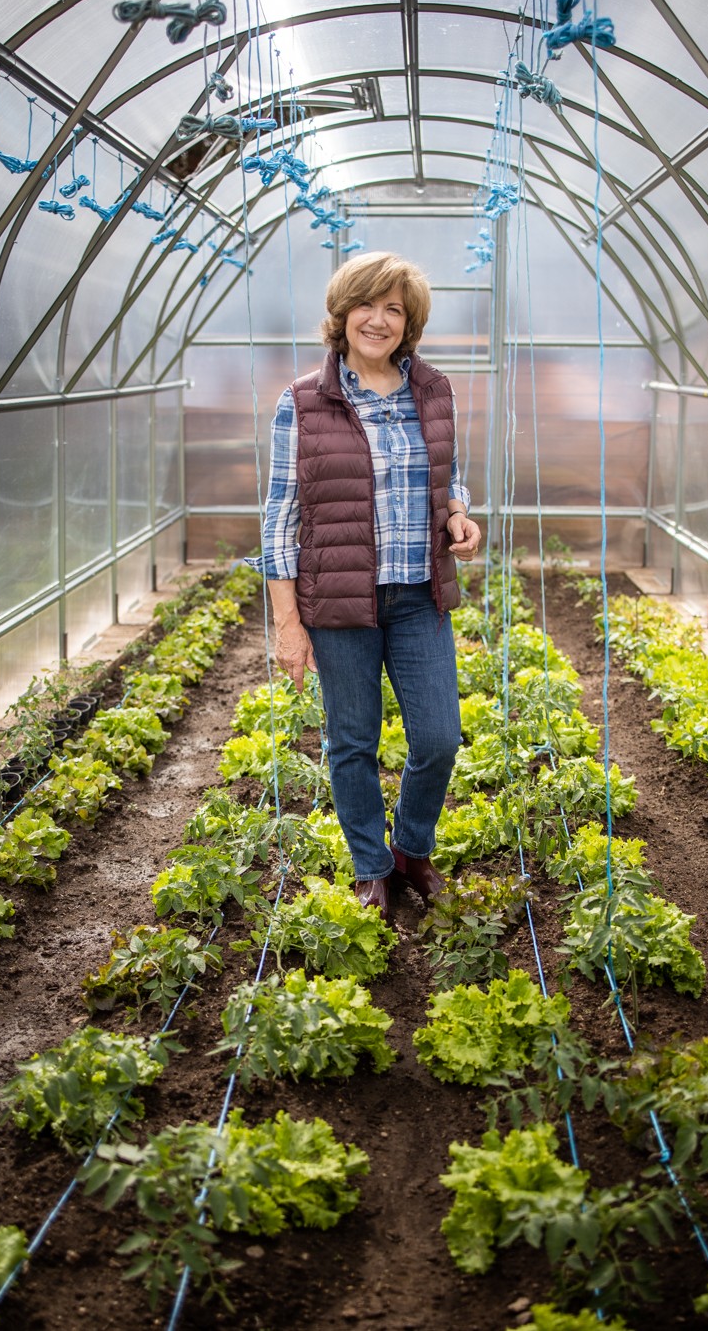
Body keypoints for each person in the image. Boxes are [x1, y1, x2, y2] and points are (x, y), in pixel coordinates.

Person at [252, 251, 481, 921]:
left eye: (394, 310)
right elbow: (280, 518)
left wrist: (461, 514)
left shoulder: (433, 391)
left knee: (438, 739)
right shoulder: (302, 403)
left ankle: (411, 849)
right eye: (367, 305)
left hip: (419, 597)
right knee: (352, 742)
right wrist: (289, 625)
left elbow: (449, 475)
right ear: (342, 313)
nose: (378, 320)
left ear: (408, 324)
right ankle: (370, 867)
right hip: (341, 601)